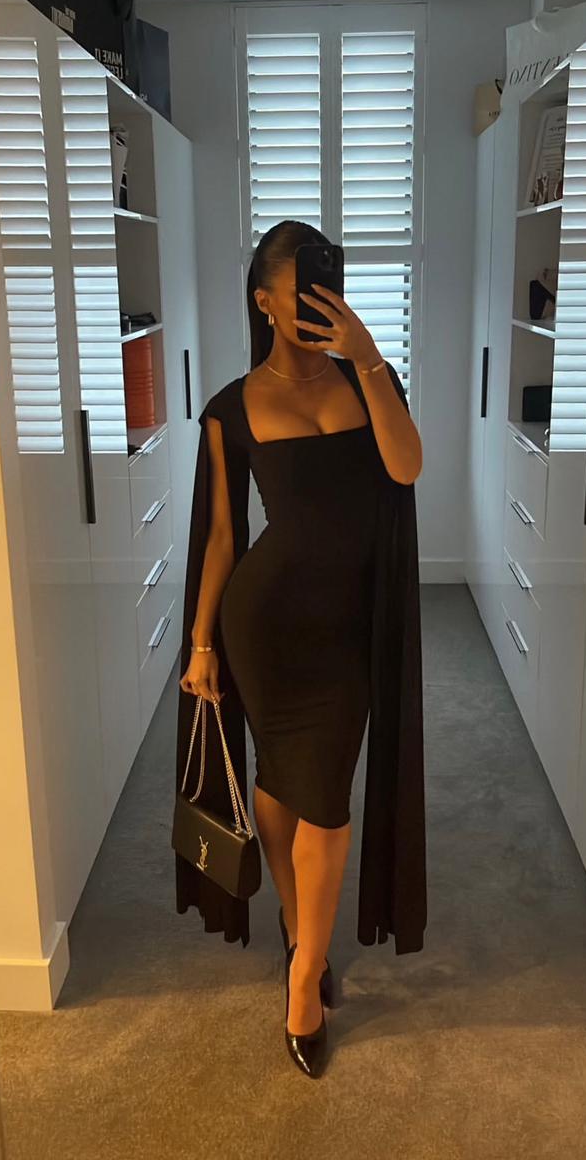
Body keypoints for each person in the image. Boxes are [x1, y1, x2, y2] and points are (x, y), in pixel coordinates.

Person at [174, 220, 426, 1078]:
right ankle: (302, 942)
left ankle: (303, 974)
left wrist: (369, 357)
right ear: (265, 302)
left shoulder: (368, 380)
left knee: (325, 802)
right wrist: (201, 643)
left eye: (330, 287)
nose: (320, 304)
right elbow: (222, 537)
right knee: (280, 788)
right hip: (265, 625)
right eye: (302, 291)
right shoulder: (230, 408)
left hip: (348, 628)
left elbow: (407, 466)